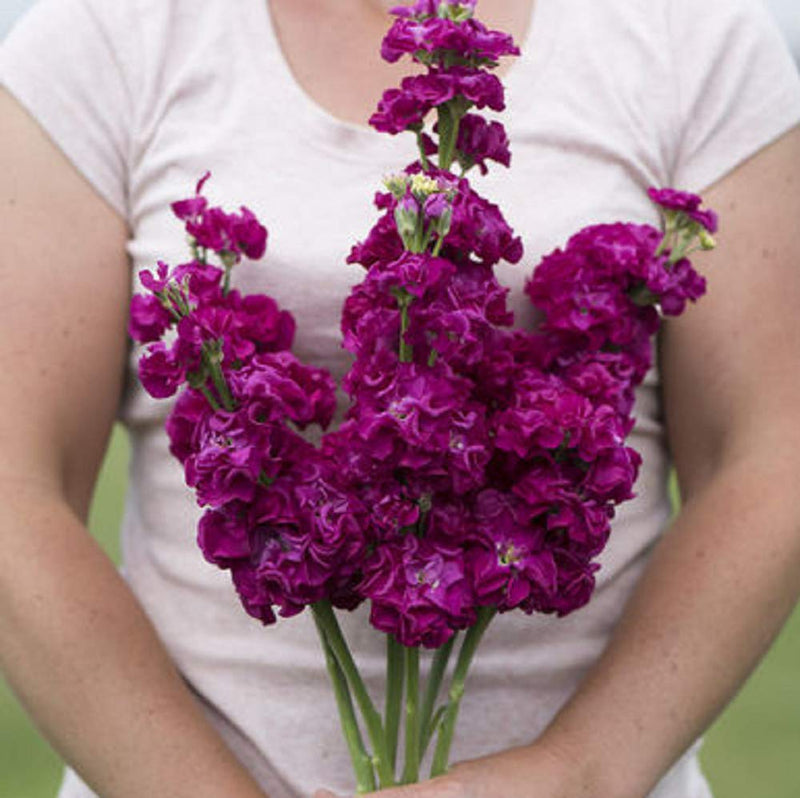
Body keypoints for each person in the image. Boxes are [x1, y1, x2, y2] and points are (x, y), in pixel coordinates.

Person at [1, 1, 799, 797]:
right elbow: (14, 491)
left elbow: (770, 460)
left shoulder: (695, 34)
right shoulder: (105, 34)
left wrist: (581, 773)